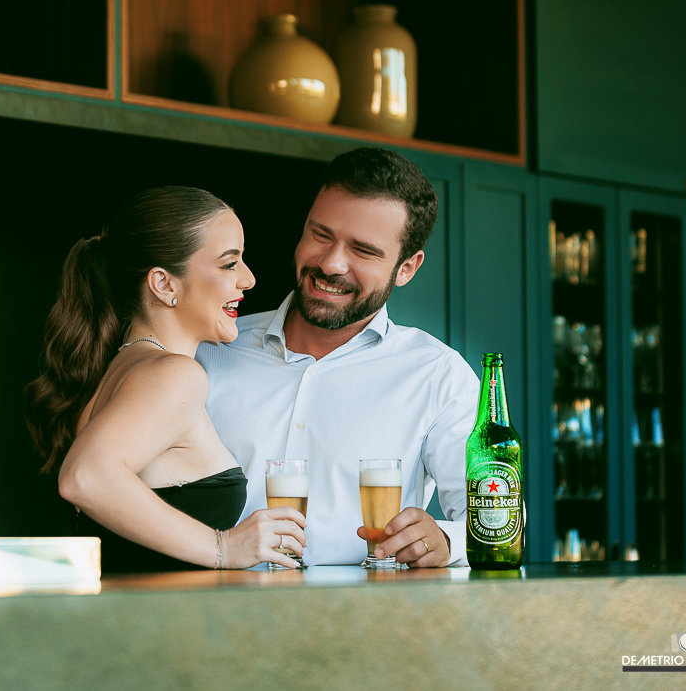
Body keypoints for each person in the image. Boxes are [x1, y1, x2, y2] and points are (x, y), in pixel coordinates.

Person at [197, 147, 479, 568]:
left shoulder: (438, 375)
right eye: (321, 235)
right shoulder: (210, 347)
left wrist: (445, 540)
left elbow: (497, 519)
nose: (331, 263)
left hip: (362, 610)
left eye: (363, 250)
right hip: (209, 605)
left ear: (407, 268)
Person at [25, 186, 307, 573]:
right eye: (229, 264)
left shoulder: (116, 371)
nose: (249, 279)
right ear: (164, 284)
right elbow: (83, 477)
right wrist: (224, 548)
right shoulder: (175, 374)